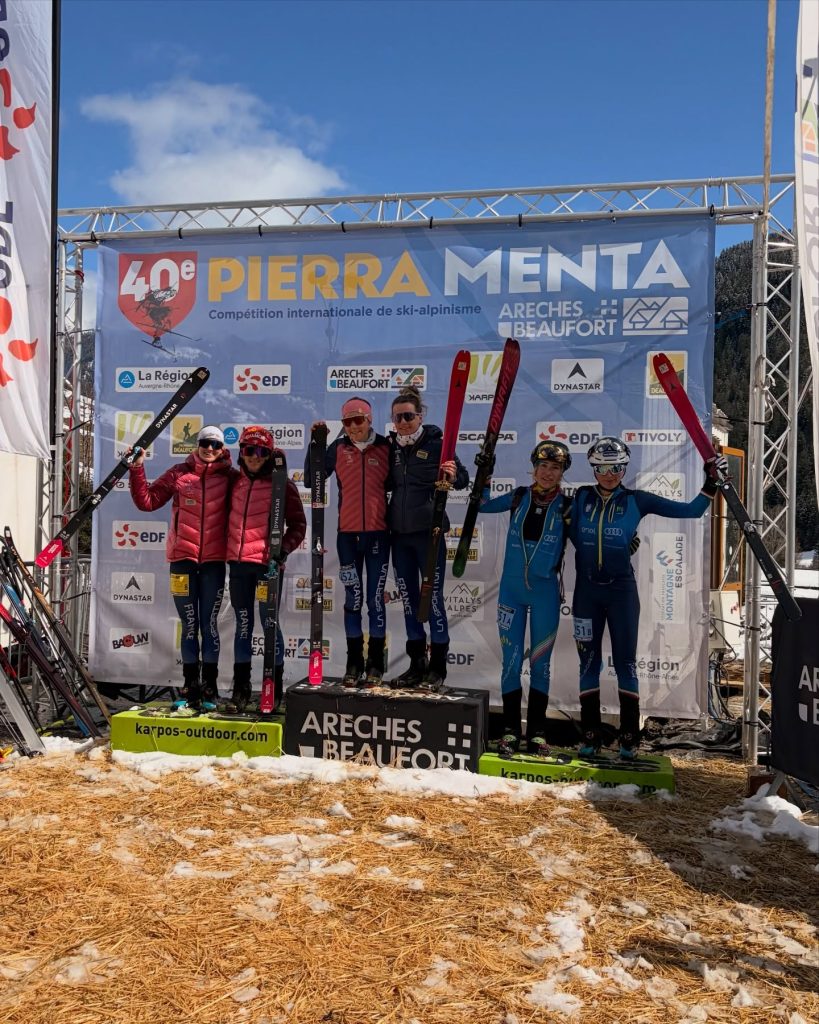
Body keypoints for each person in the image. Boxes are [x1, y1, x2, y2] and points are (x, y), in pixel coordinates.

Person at [569, 436, 725, 758]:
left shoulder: (636, 500)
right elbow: (558, 530)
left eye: (616, 468)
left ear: (625, 469)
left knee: (626, 663)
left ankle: (629, 738)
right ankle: (590, 736)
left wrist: (711, 483)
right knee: (588, 663)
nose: (609, 475)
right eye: (602, 468)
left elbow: (692, 511)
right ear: (593, 468)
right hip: (586, 594)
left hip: (621, 593)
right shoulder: (580, 497)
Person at [478, 441, 572, 757]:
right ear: (534, 468)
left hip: (545, 595)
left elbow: (590, 536)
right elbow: (482, 505)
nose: (548, 473)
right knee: (511, 662)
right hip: (512, 593)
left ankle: (537, 735)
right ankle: (509, 731)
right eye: (543, 466)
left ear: (562, 473)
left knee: (540, 665)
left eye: (555, 468)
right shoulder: (519, 497)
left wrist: (623, 542)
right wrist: (485, 475)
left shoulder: (568, 506)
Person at [128, 424, 232, 709]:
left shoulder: (230, 477)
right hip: (182, 561)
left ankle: (210, 688)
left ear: (222, 449)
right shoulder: (179, 473)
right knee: (189, 625)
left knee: (209, 625)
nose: (209, 449)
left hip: (213, 563)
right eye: (205, 443)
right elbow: (147, 502)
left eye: (215, 445)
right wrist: (137, 468)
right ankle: (190, 686)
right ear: (197, 444)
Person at [387, 384, 469, 689]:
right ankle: (416, 665)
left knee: (431, 599)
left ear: (420, 416)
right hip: (400, 536)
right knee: (409, 601)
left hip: (429, 535)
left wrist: (453, 473)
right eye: (398, 417)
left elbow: (463, 479)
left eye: (408, 416)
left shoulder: (437, 444)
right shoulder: (392, 447)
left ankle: (438, 667)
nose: (403, 422)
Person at [308, 397, 391, 688]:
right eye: (347, 422)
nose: (353, 427)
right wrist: (315, 445)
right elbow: (312, 479)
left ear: (369, 419)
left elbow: (403, 484)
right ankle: (354, 662)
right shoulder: (338, 448)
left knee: (375, 600)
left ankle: (376, 664)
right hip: (347, 537)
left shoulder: (386, 447)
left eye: (358, 420)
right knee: (353, 598)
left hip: (379, 536)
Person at [226, 425, 306, 712]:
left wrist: (282, 551)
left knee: (269, 624)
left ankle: (274, 688)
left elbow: (298, 525)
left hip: (266, 567)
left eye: (261, 451)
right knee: (243, 625)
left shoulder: (281, 484)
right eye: (249, 450)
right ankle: (241, 689)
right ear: (241, 452)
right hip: (238, 566)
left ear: (270, 454)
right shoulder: (233, 481)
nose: (254, 456)